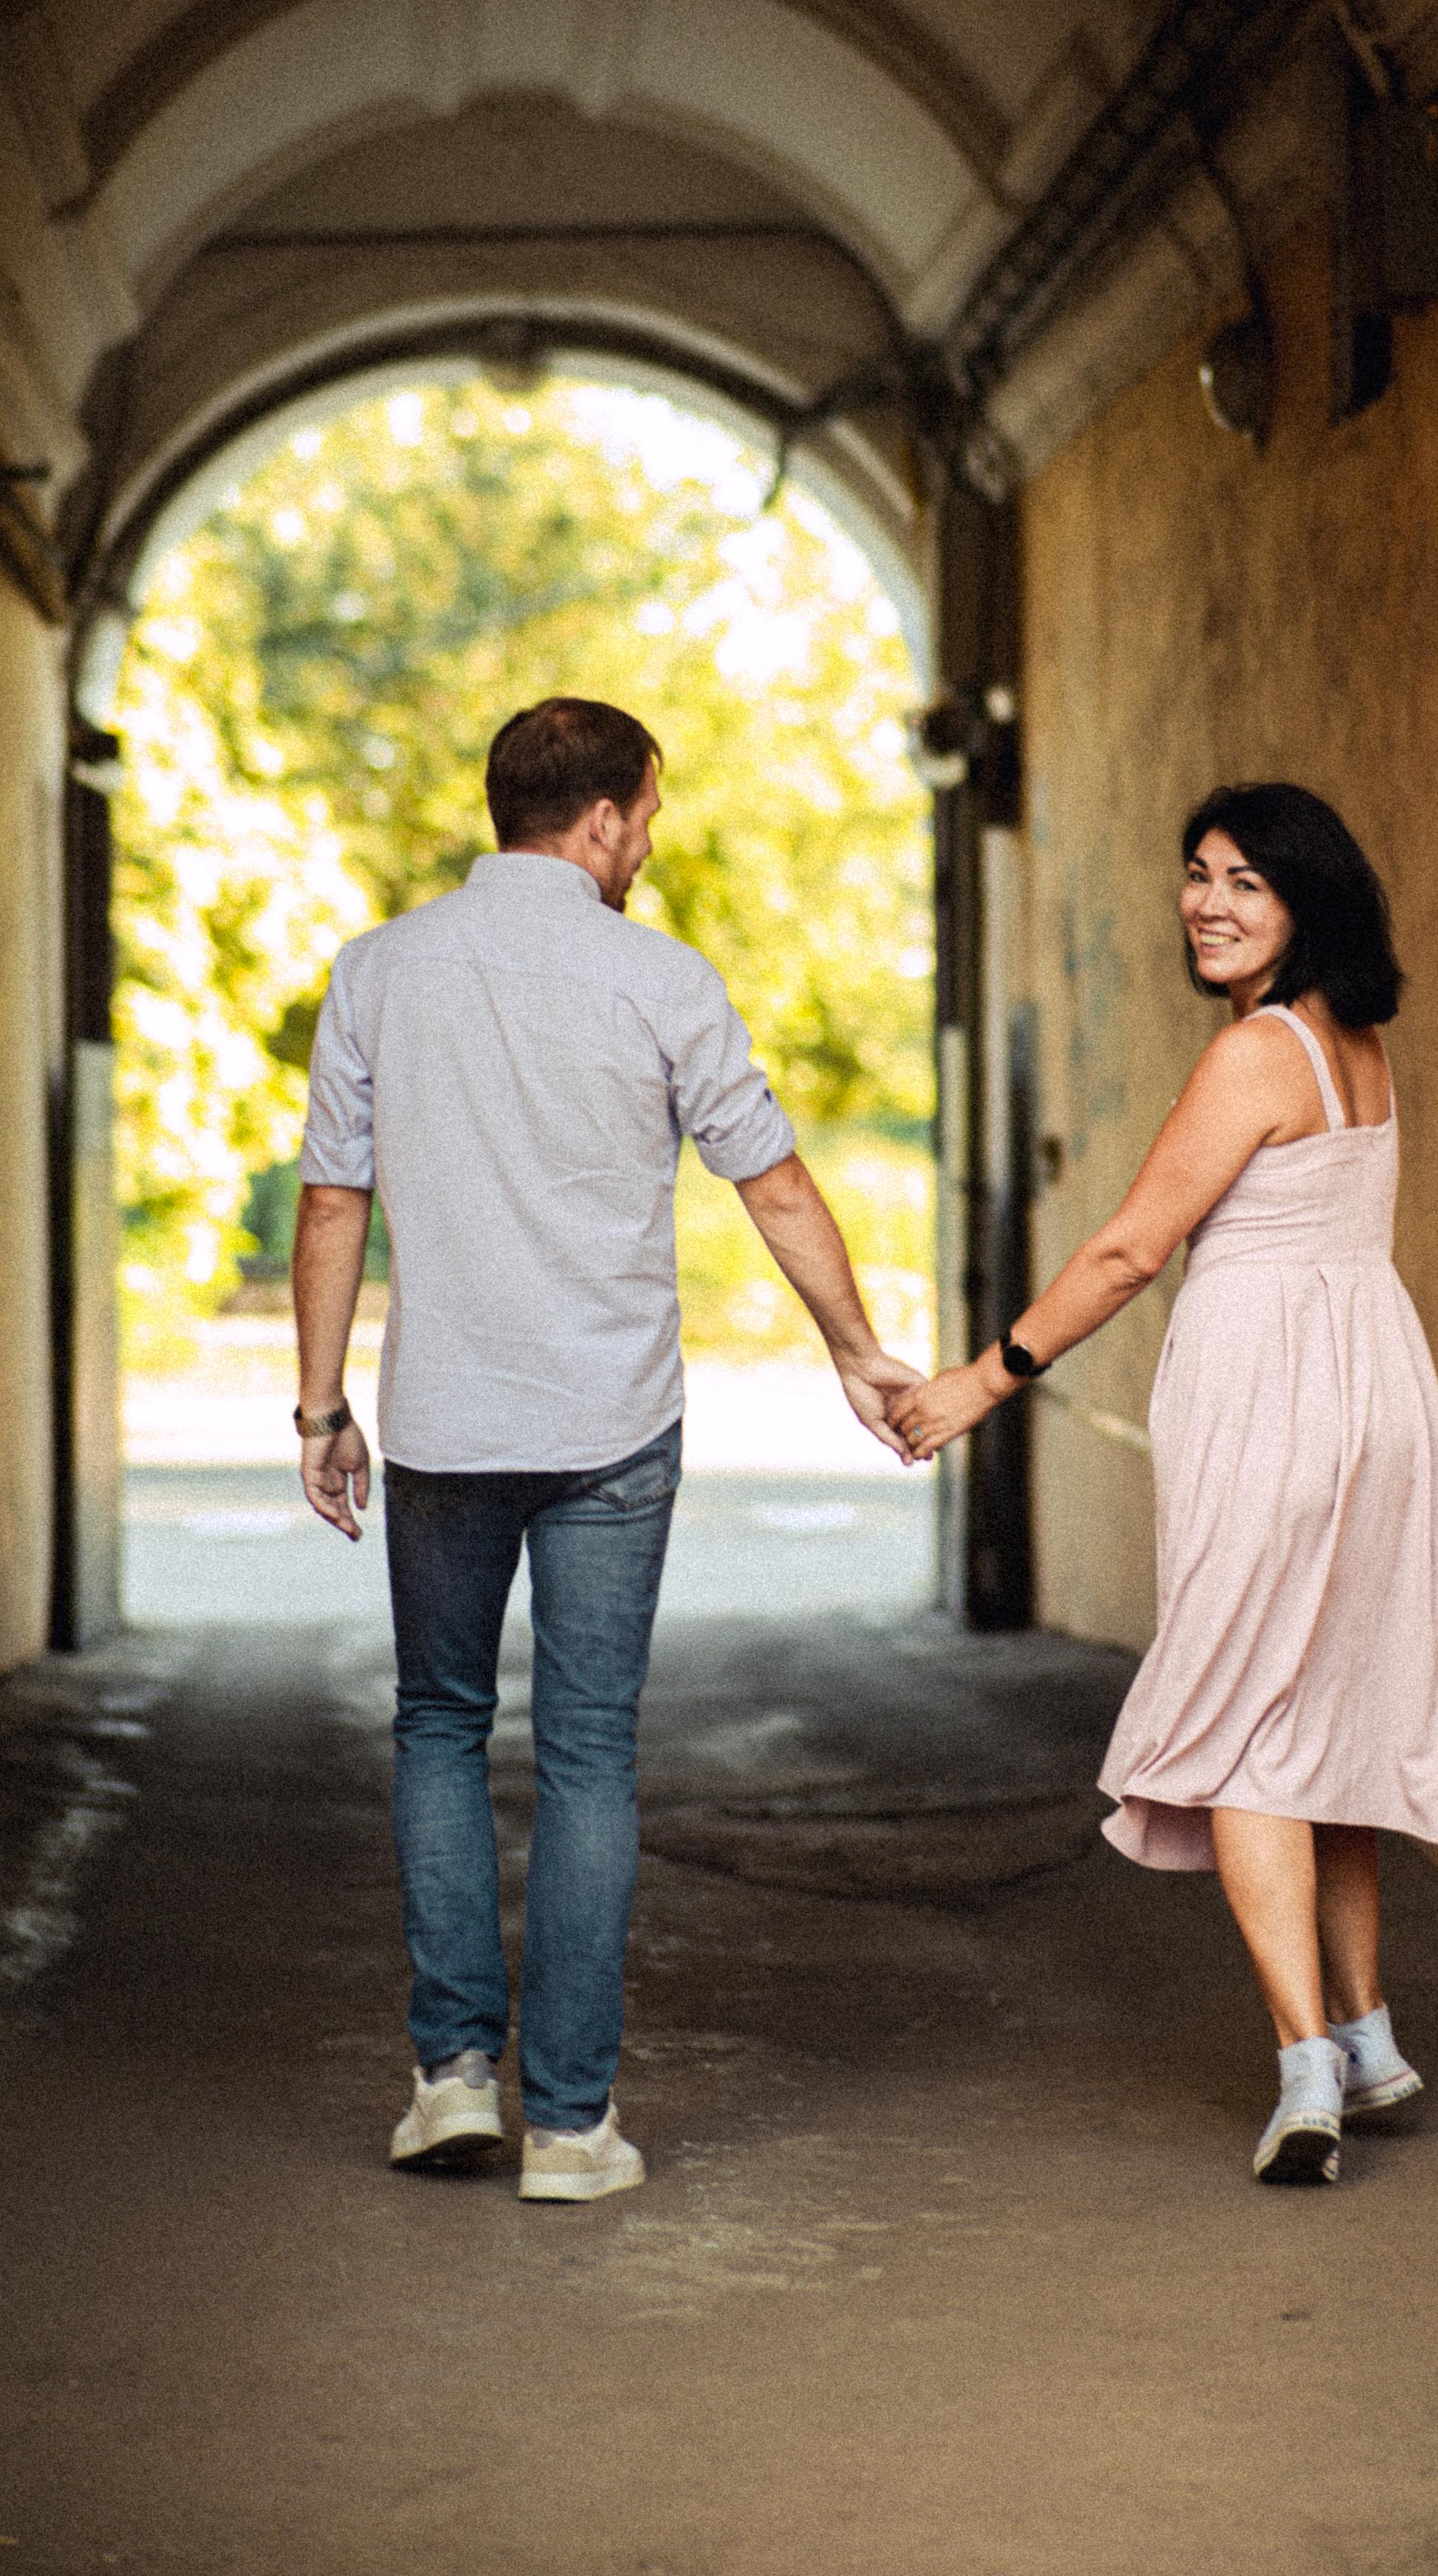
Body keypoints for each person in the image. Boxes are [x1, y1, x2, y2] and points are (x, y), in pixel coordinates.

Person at [292, 696, 920, 2202]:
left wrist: (322, 1411)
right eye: (648, 816)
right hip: (614, 1426)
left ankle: (452, 2081)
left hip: (444, 1419)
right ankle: (570, 2128)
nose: (647, 843)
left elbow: (333, 1201)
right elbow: (769, 1183)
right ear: (605, 820)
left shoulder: (378, 973)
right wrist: (852, 1346)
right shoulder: (662, 979)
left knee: (439, 1725)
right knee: (587, 1756)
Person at [893, 782, 1438, 2185]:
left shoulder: (1257, 1057)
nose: (1207, 901)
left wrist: (983, 1379)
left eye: (1246, 884)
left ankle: (1304, 2069)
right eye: (1198, 873)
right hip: (1375, 1398)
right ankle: (1371, 2031)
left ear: (1307, 904)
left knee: (1240, 1722)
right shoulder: (1358, 1045)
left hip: (1272, 1406)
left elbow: (1127, 1251)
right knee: (1321, 1710)